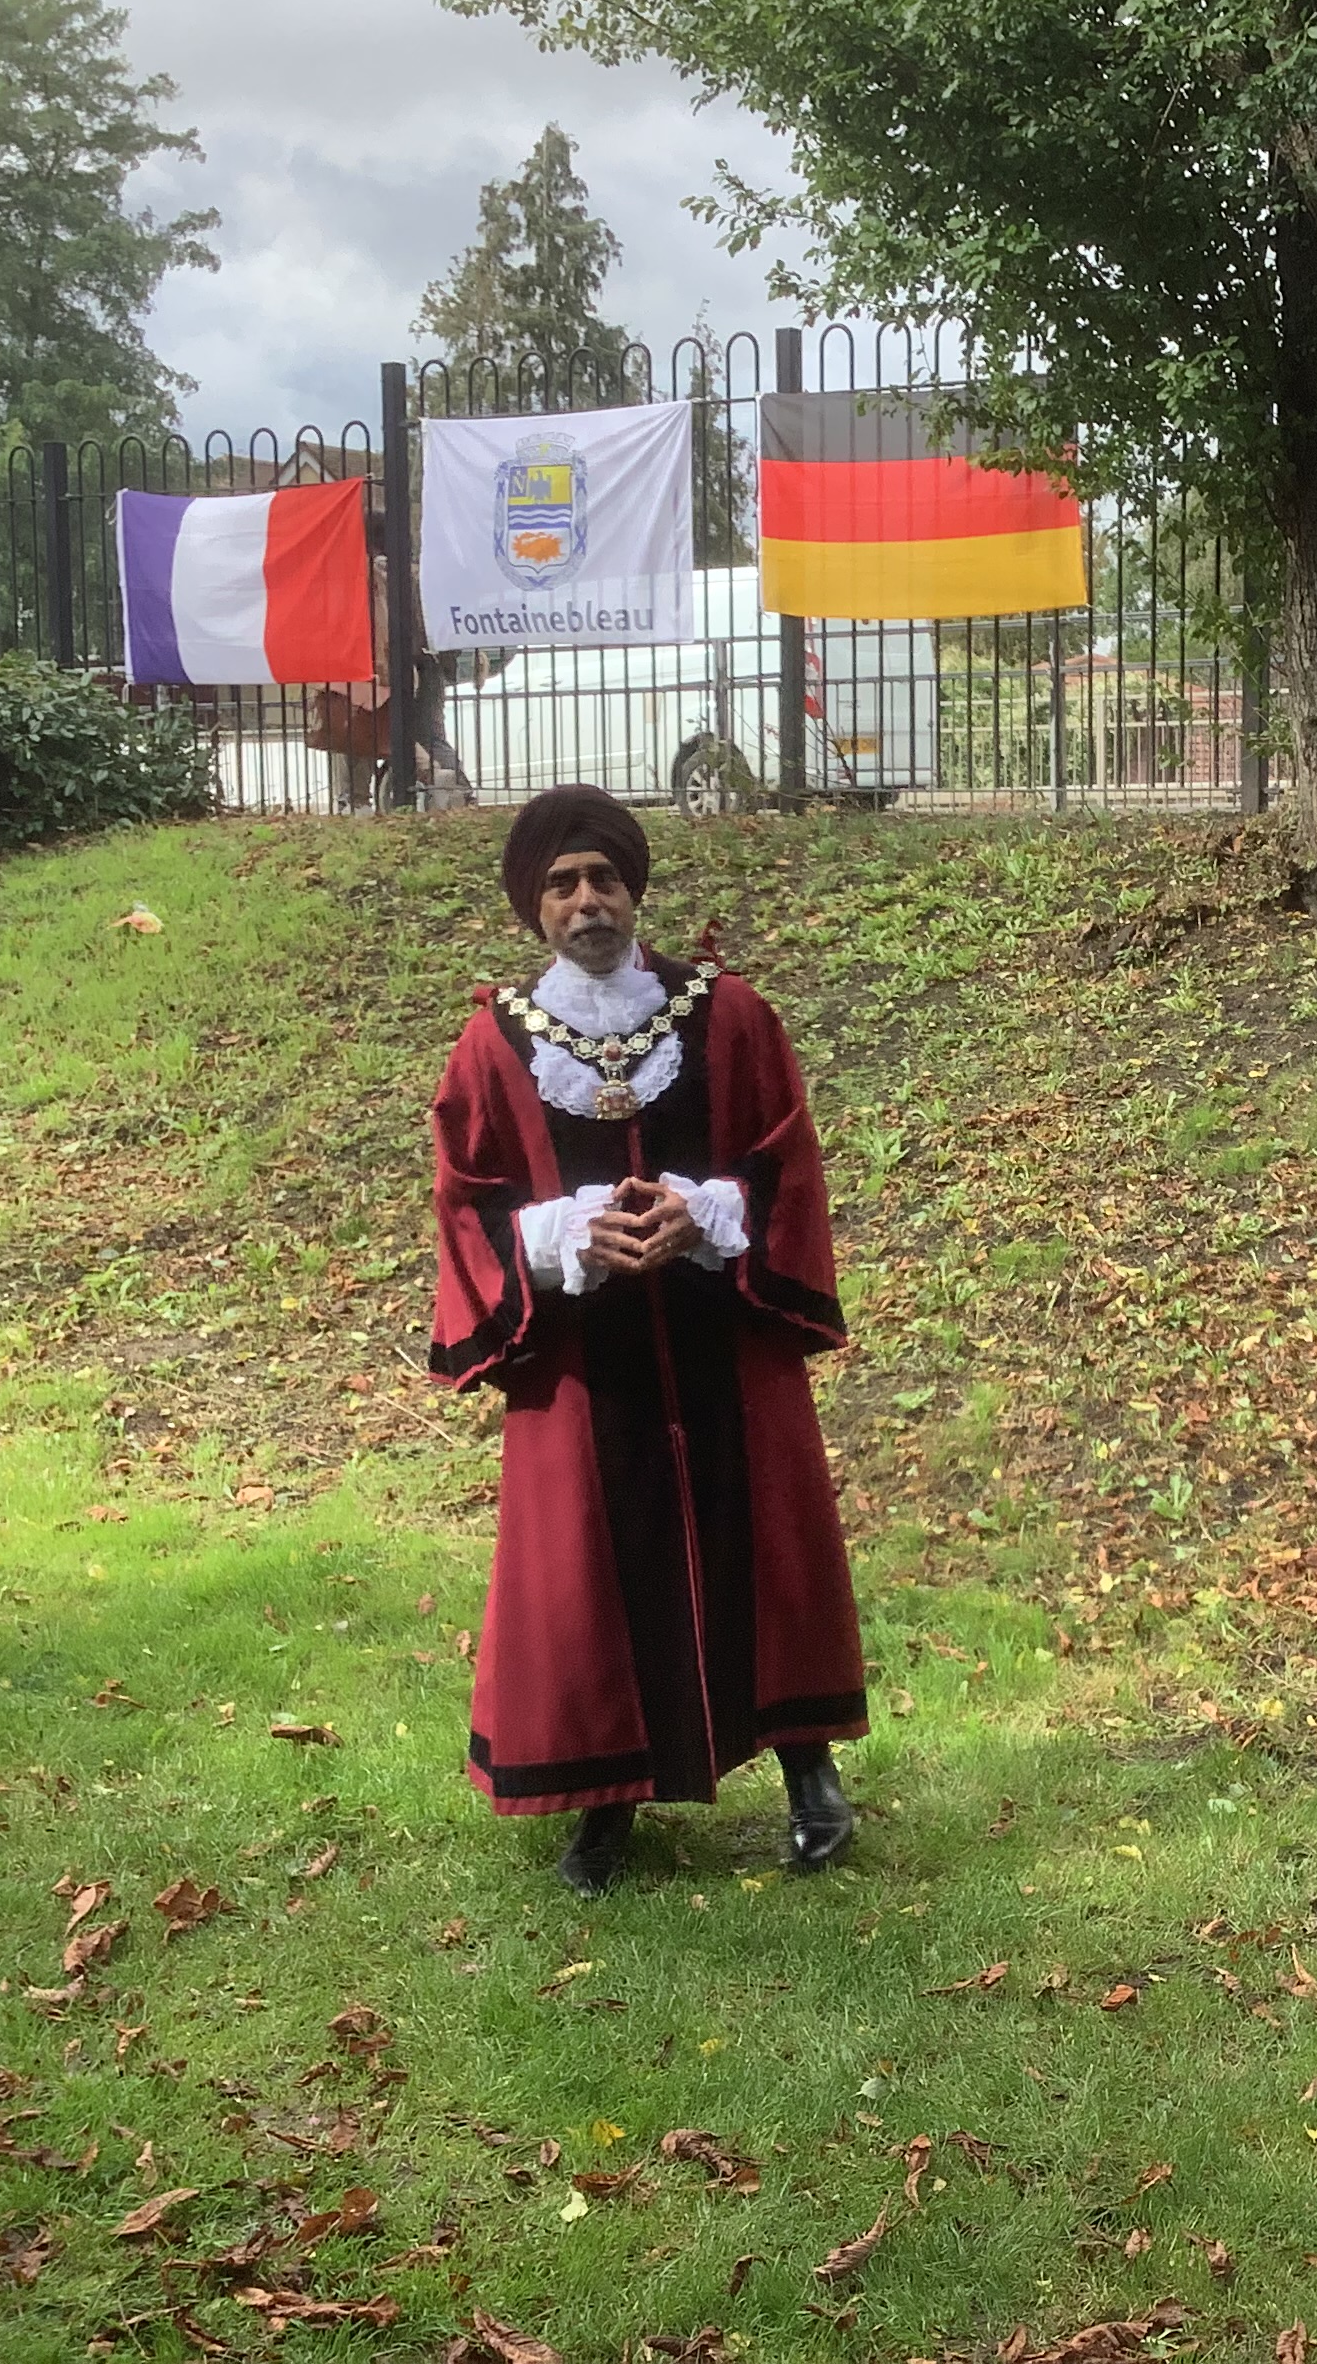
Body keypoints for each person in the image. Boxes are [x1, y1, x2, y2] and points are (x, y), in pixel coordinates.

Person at [427, 786, 866, 1893]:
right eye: (562, 886)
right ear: (534, 907)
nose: (587, 901)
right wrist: (566, 1235)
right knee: (589, 1572)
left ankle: (809, 1772)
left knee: (766, 1548)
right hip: (586, 1363)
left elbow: (786, 1157)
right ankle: (605, 1800)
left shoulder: (729, 1015)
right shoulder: (494, 1046)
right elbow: (467, 1201)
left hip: (725, 1344)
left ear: (633, 891)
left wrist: (705, 1214)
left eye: (603, 880)